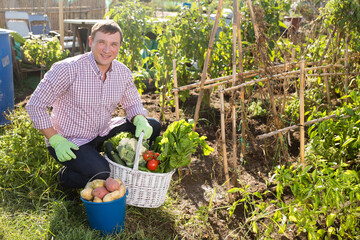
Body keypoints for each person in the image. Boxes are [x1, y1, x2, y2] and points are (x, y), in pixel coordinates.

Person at [26, 20, 161, 191]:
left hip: (100, 132)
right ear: (91, 42)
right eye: (101, 42)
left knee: (153, 126)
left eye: (113, 44)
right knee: (102, 173)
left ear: (119, 46)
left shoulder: (122, 73)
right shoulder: (67, 69)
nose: (107, 50)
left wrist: (140, 119)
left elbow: (133, 103)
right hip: (70, 141)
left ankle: (134, 170)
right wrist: (55, 139)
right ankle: (64, 177)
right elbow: (35, 105)